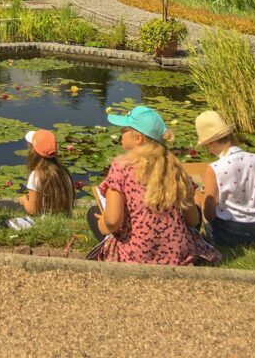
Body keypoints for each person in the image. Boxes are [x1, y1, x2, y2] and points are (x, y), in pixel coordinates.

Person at [86, 104, 221, 265]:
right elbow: (192, 220)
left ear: (138, 138)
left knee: (93, 214)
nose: (120, 133)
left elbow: (114, 221)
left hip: (134, 256)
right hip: (176, 255)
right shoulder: (175, 167)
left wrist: (104, 224)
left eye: (124, 130)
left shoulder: (121, 166)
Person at [195, 110, 255, 246]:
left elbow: (208, 212)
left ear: (210, 144)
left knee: (199, 198)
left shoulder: (215, 168)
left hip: (229, 233)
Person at [18, 129, 74, 216]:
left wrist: (24, 200)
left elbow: (32, 210)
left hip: (43, 217)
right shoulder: (64, 172)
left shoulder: (36, 175)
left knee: (2, 205)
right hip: (63, 215)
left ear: (34, 152)